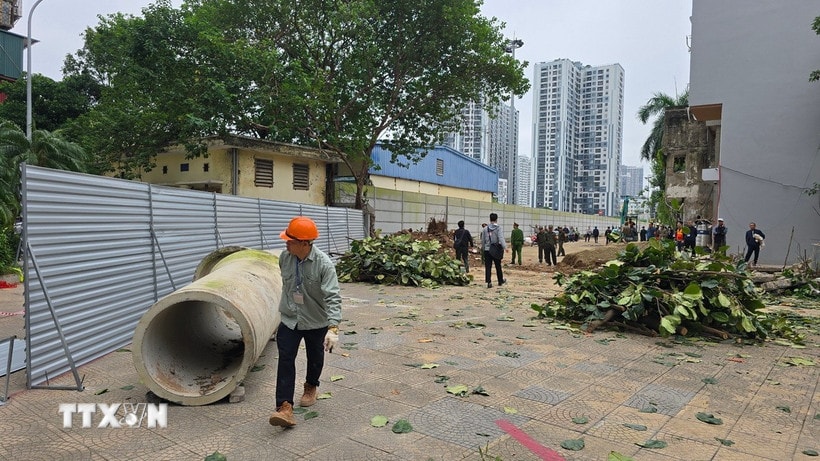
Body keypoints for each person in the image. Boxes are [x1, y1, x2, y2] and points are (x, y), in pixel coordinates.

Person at [269, 216, 342, 428]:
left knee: (315, 356)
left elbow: (333, 296)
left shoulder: (324, 265)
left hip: (315, 319)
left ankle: (311, 385)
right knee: (285, 359)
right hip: (290, 318)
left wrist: (333, 327)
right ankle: (284, 407)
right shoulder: (285, 257)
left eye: (290, 239)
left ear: (304, 243)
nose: (285, 242)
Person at [480, 213, 506, 288]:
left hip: (487, 250)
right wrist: (505, 247)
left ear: (490, 219)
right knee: (498, 266)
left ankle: (489, 282)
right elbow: (501, 238)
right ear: (496, 219)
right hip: (495, 249)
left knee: (488, 266)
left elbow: (483, 240)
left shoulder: (485, 229)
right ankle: (500, 281)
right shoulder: (498, 228)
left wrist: (483, 249)